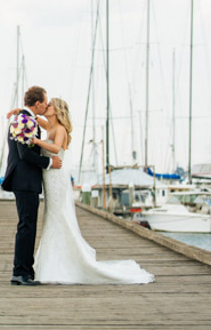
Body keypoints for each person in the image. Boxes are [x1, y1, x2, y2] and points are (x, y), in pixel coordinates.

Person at [31, 98, 154, 284]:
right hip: (50, 178)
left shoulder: (60, 129)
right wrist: (21, 112)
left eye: (49, 105)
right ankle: (52, 259)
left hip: (57, 177)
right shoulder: (49, 125)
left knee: (57, 216)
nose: (46, 107)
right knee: (52, 216)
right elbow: (35, 118)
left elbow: (56, 148)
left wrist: (36, 141)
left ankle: (58, 263)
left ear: (56, 110)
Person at [2, 85, 62, 286]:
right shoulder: (25, 121)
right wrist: (48, 163)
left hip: (24, 180)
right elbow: (24, 153)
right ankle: (20, 272)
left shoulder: (23, 118)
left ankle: (26, 269)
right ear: (37, 104)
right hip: (25, 180)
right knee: (26, 226)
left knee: (27, 225)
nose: (46, 105)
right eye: (45, 102)